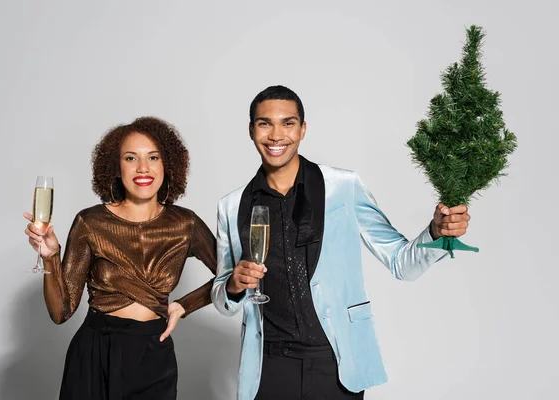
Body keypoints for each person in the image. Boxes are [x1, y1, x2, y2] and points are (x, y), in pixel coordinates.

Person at [211, 86, 471, 400]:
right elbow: (221, 293)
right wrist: (233, 286)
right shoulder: (232, 205)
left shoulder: (343, 188)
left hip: (336, 364)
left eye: (288, 123)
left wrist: (436, 233)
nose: (276, 135)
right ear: (252, 130)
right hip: (269, 366)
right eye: (265, 123)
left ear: (303, 129)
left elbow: (403, 263)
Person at [24, 116, 217, 400]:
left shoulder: (185, 224)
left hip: (152, 354)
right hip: (94, 351)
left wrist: (184, 306)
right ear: (116, 168)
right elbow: (60, 313)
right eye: (130, 158)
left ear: (168, 165)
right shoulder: (90, 222)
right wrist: (51, 257)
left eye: (153, 157)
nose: (143, 168)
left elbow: (234, 275)